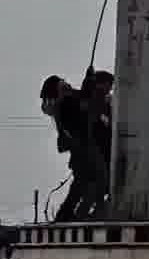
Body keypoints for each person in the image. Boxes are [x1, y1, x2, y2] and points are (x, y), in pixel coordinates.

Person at [40, 74, 107, 221]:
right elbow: (83, 106)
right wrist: (89, 85)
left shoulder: (64, 104)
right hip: (85, 150)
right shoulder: (67, 105)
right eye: (64, 84)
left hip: (82, 150)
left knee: (83, 184)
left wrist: (88, 82)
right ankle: (83, 213)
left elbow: (82, 99)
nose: (68, 84)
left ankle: (70, 214)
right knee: (96, 180)